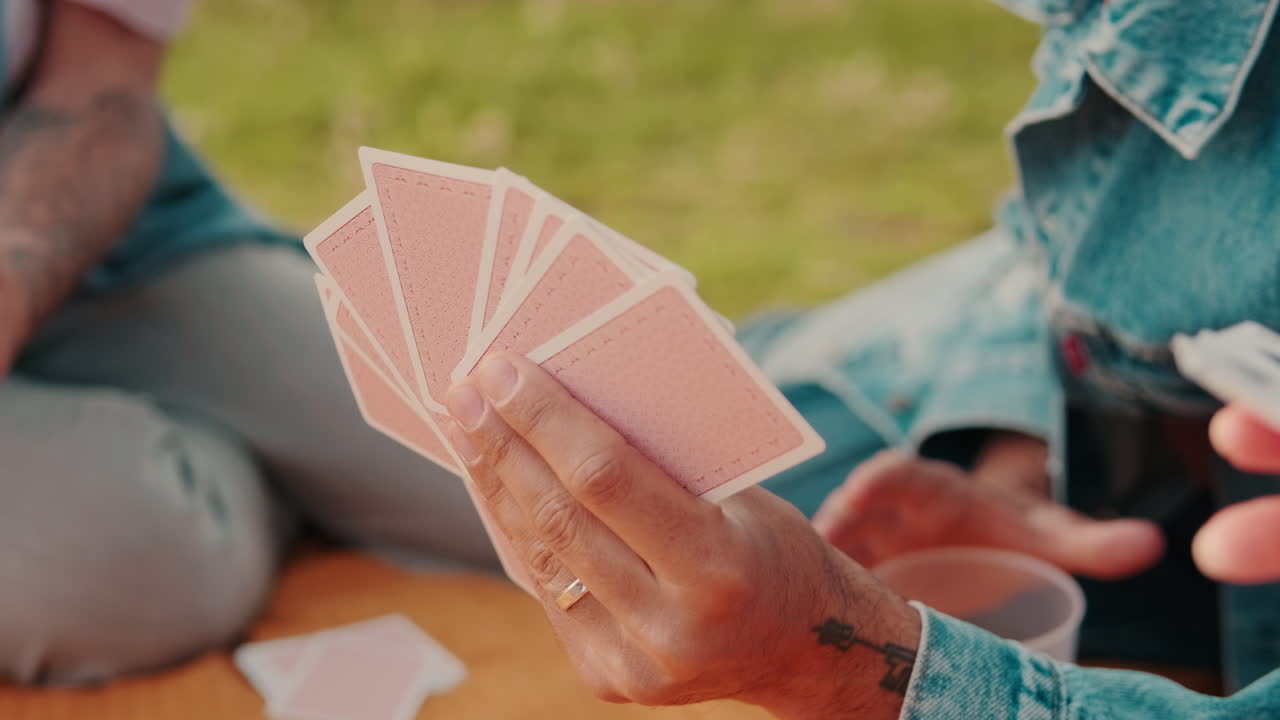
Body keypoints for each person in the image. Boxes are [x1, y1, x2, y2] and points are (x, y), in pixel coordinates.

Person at [444, 0, 1280, 717]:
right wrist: (1018, 458)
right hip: (1037, 401)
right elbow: (1090, 229)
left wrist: (833, 663)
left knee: (603, 507)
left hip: (1123, 511)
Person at [0, 1, 495, 686]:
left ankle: (208, 477)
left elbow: (98, 77)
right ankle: (214, 492)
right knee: (135, 564)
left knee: (508, 445)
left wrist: (13, 281)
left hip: (94, 235)